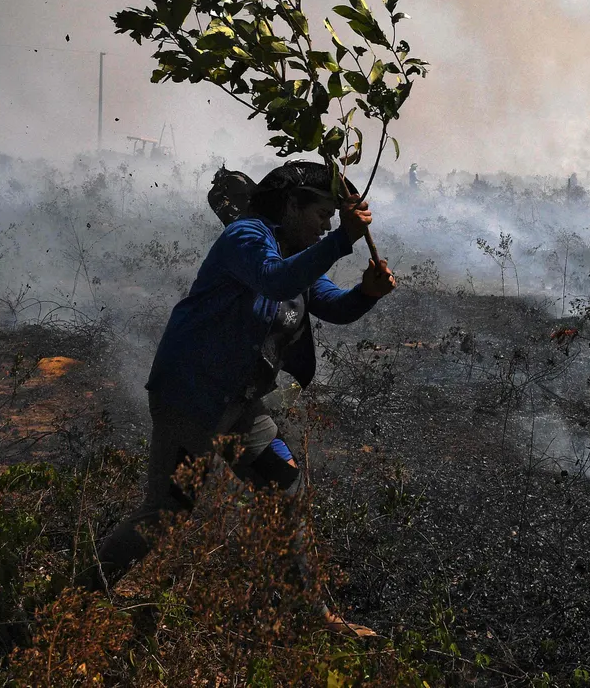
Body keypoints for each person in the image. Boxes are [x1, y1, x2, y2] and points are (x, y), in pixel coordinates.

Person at [87, 161, 396, 634]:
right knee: (167, 511)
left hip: (238, 406)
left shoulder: (297, 254)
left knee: (286, 486)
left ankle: (312, 616)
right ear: (292, 204)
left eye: (334, 219)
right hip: (193, 398)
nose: (328, 226)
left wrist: (366, 293)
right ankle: (80, 596)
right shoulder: (248, 238)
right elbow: (275, 279)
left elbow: (330, 303)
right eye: (323, 214)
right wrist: (343, 242)